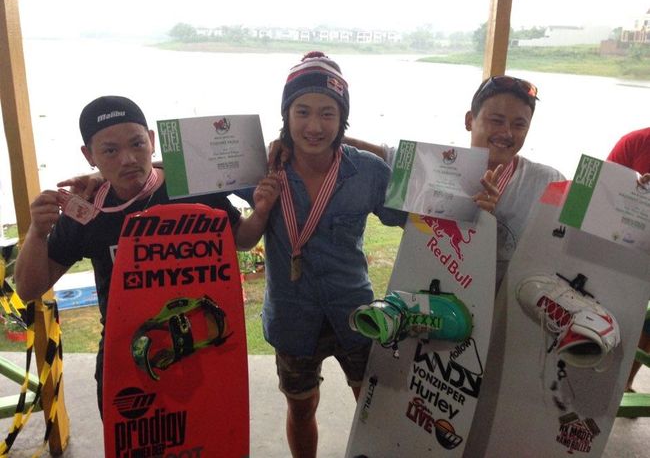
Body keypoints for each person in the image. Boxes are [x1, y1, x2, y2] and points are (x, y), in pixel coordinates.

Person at [14, 95, 280, 416]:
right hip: (127, 356)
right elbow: (28, 289)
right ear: (89, 156)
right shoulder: (88, 209)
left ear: (152, 141)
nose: (128, 159)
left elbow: (242, 240)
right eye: (110, 150)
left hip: (203, 347)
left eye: (137, 144)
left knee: (213, 433)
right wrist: (37, 233)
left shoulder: (189, 186)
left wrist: (260, 212)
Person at [240, 51, 406, 458]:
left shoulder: (368, 171)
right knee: (301, 408)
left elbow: (417, 214)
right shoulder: (263, 167)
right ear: (286, 114)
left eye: (327, 113)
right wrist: (108, 175)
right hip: (292, 318)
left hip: (356, 314)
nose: (314, 126)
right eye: (302, 112)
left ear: (342, 118)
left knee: (373, 407)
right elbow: (196, 171)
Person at [341, 75, 565, 288]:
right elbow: (378, 155)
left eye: (519, 125)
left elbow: (571, 241)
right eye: (497, 120)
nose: (507, 133)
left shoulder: (548, 182)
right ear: (469, 120)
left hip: (510, 307)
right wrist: (327, 134)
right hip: (441, 297)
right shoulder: (436, 166)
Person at [607, 127, 650, 392]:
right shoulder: (636, 142)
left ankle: (626, 380)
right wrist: (632, 193)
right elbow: (602, 194)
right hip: (626, 247)